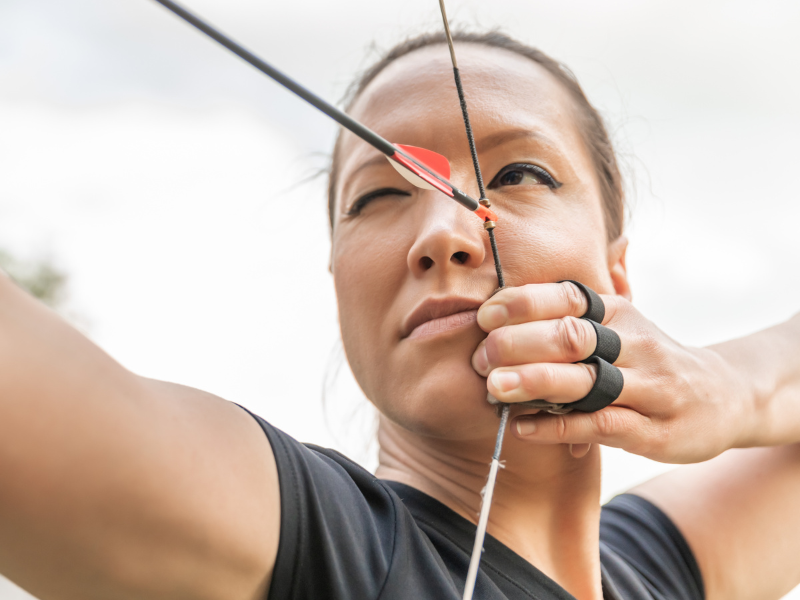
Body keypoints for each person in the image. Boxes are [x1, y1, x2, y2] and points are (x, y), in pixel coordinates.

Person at [1, 29, 799, 600]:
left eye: (519, 171)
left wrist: (734, 387)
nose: (443, 232)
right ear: (341, 282)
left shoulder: (659, 569)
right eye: (378, 197)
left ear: (615, 266)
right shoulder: (310, 541)